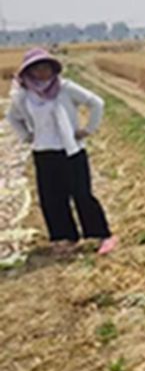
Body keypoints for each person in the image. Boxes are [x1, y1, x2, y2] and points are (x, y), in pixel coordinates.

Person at [6, 48, 117, 255]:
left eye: (46, 67)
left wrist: (88, 129)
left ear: (53, 68)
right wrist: (27, 136)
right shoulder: (22, 96)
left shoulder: (65, 88)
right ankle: (65, 238)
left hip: (71, 151)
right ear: (28, 72)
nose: (42, 72)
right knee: (52, 198)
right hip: (43, 152)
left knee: (82, 195)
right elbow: (12, 117)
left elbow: (96, 103)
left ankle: (102, 235)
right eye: (37, 68)